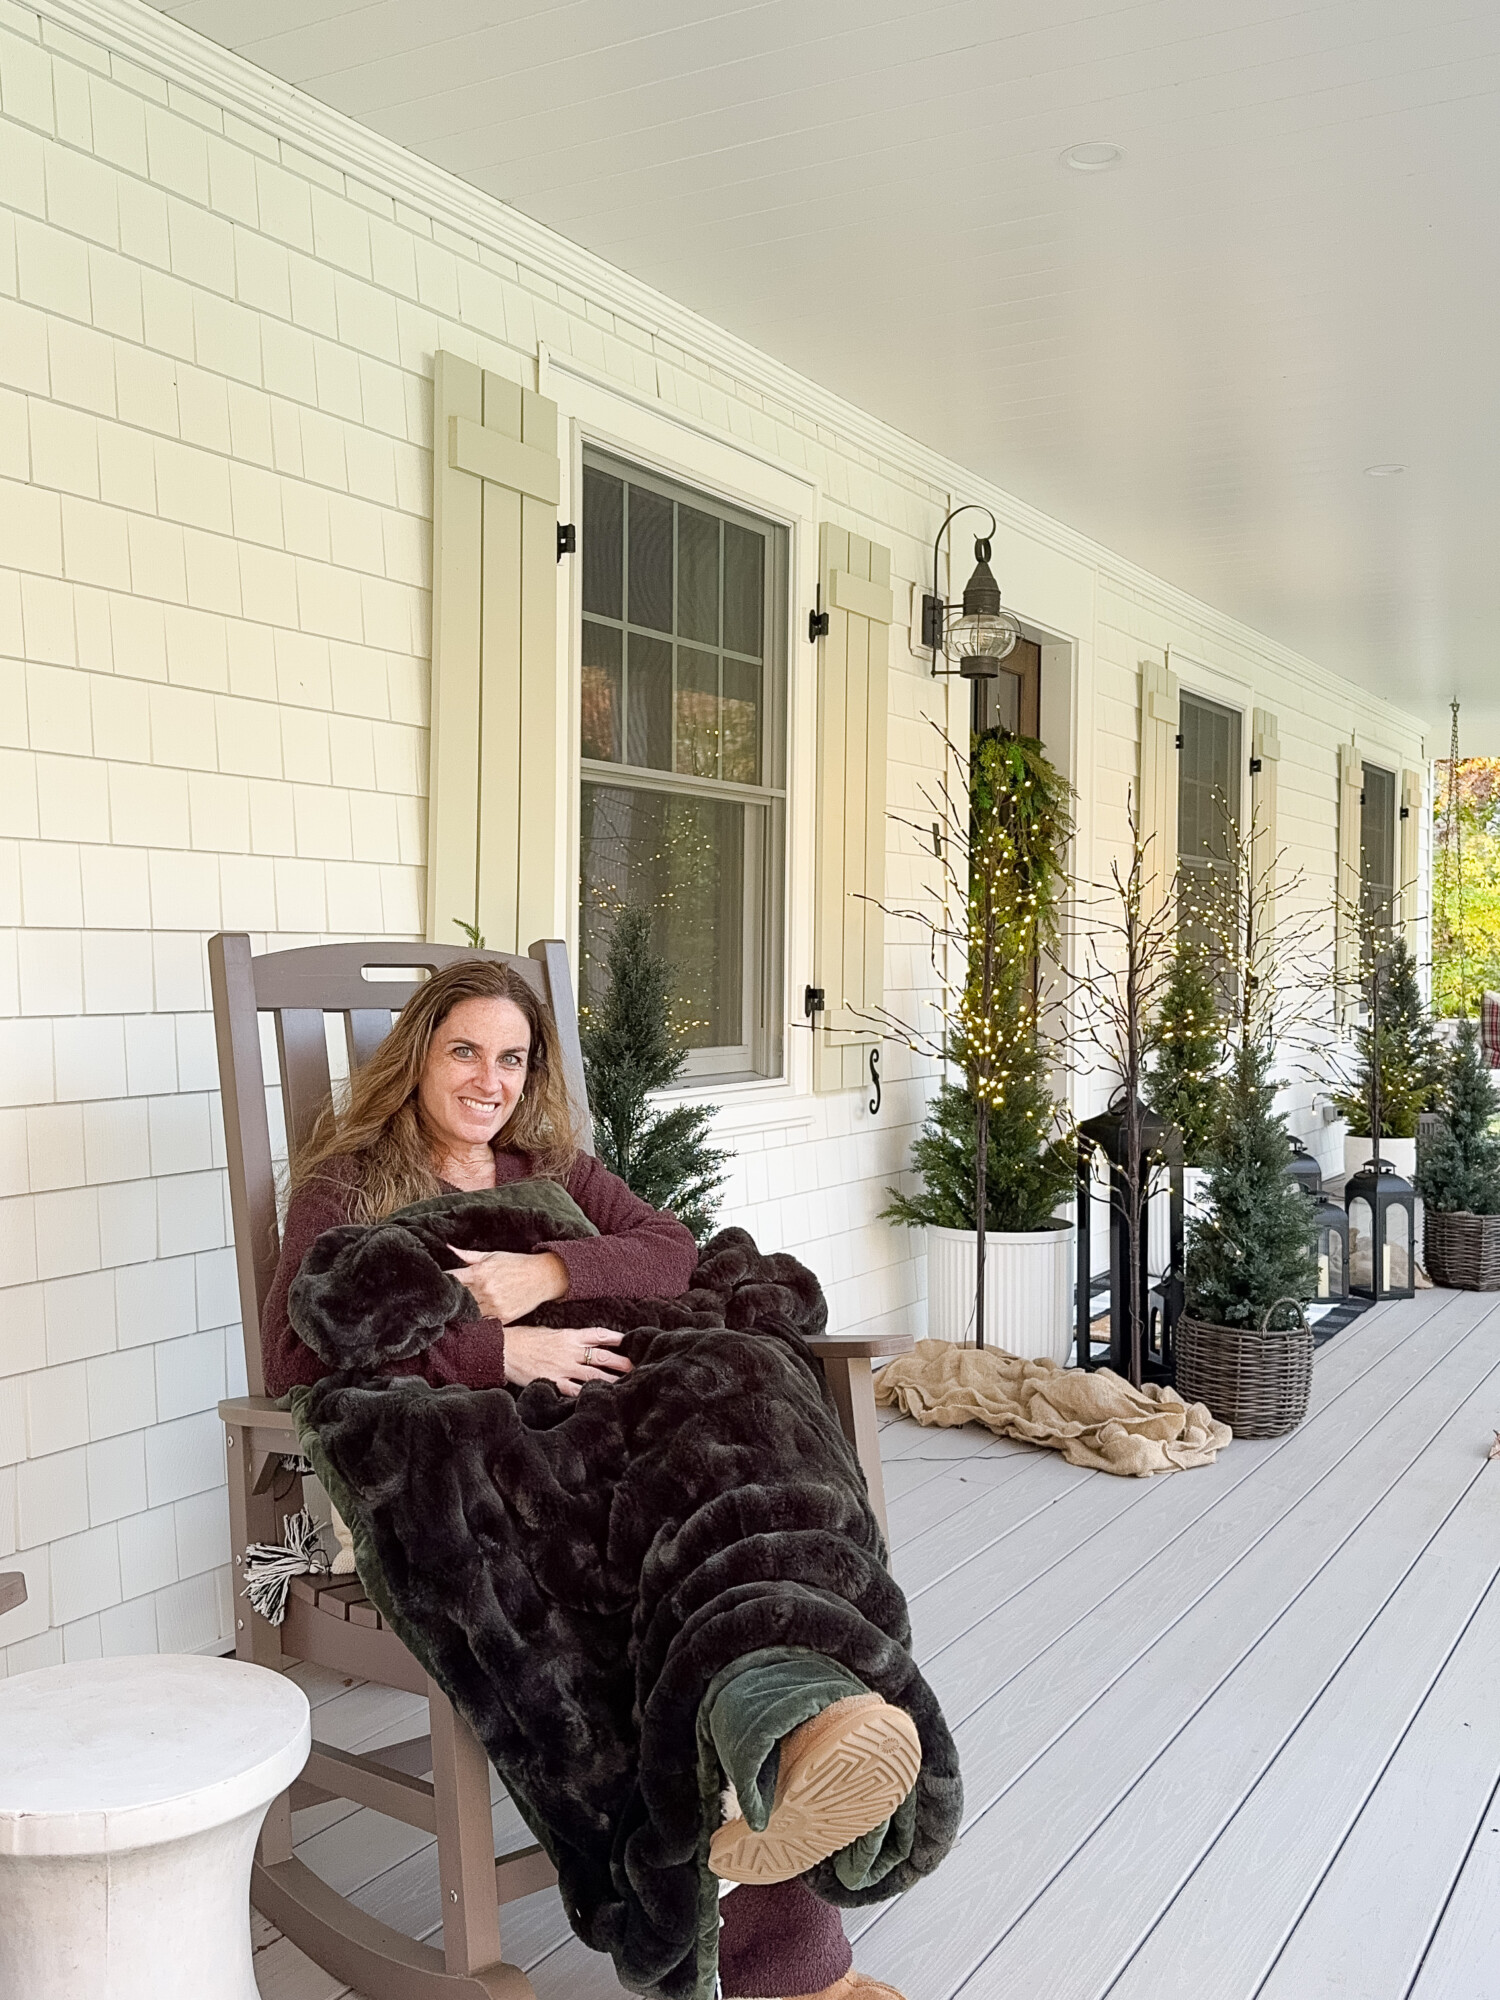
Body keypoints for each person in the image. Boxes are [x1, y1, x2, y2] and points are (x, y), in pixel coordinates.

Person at [262, 957, 911, 2000]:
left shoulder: (551, 1161)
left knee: (739, 1454)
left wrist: (550, 1271)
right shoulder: (349, 1183)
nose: (490, 1080)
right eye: (464, 1050)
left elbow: (670, 1248)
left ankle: (799, 1714)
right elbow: (297, 1361)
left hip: (613, 1424)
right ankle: (785, 1960)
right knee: (621, 1599)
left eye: (512, 1057)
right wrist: (493, 1350)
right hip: (493, 1458)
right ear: (417, 1057)